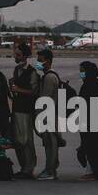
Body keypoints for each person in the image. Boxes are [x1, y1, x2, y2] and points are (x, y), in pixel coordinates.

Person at [8, 43, 40, 179]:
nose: (16, 57)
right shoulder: (16, 70)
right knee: (18, 140)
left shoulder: (32, 72)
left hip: (26, 110)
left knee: (26, 140)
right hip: (17, 108)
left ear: (25, 56)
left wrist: (18, 89)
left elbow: (34, 91)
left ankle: (29, 168)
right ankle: (23, 167)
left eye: (18, 55)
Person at [34, 49, 63, 181]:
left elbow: (44, 100)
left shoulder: (50, 77)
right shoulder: (49, 76)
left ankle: (50, 170)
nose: (38, 63)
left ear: (48, 61)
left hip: (49, 116)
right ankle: (51, 169)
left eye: (40, 60)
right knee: (51, 143)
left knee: (50, 144)